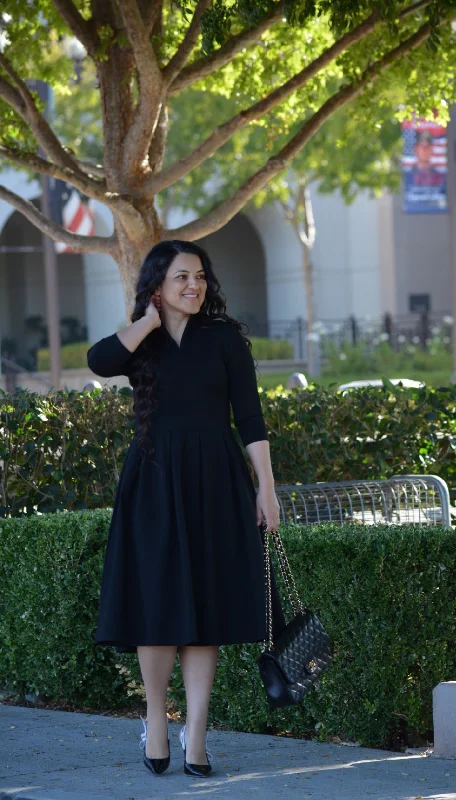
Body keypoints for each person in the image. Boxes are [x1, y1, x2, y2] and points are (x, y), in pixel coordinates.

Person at [87, 240, 283, 778]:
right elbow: (99, 361)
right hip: (152, 480)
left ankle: (195, 735)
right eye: (180, 278)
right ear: (158, 286)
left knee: (205, 611)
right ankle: (155, 719)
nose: (193, 286)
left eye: (199, 276)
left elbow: (251, 417)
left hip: (216, 481)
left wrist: (265, 488)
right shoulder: (141, 343)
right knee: (156, 606)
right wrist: (149, 322)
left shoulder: (224, 338)